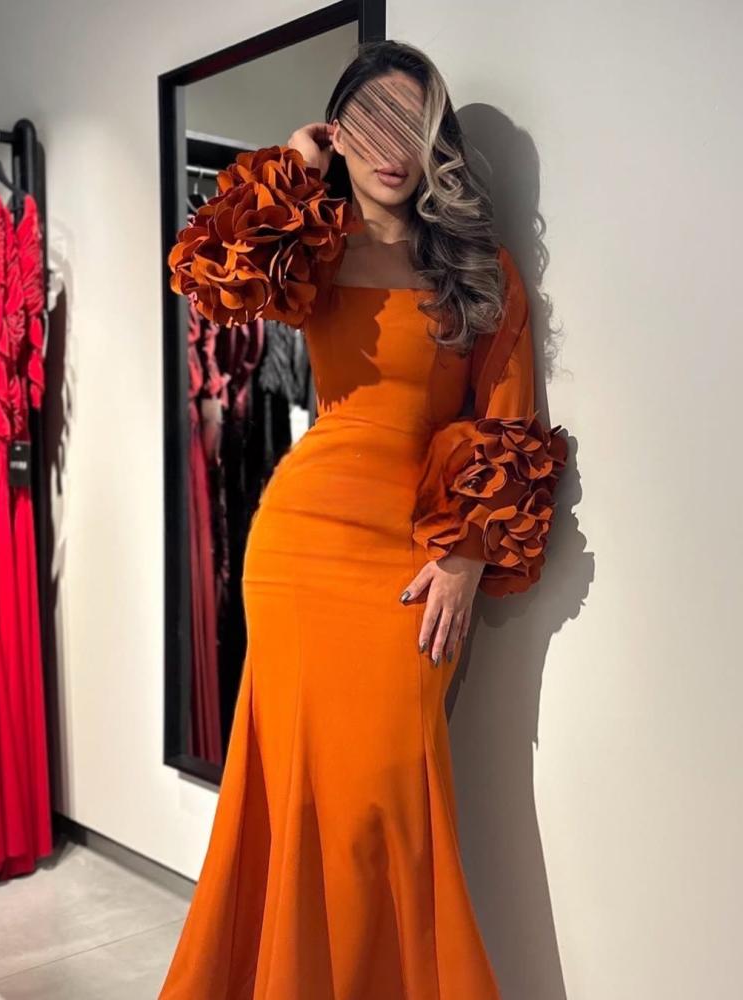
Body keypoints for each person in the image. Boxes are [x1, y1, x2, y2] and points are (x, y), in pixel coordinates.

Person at [159, 38, 567, 1000]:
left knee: (386, 799)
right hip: (298, 546)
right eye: (372, 121)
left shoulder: (479, 268)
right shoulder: (315, 241)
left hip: (408, 560)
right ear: (339, 131)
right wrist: (293, 167)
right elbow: (208, 270)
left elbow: (509, 419)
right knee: (297, 794)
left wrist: (467, 553)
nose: (394, 146)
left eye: (413, 126)